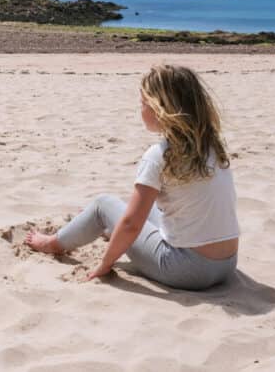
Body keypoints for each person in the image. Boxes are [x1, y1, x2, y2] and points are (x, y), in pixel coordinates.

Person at [25, 64, 239, 290]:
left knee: (103, 205)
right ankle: (107, 229)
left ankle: (52, 243)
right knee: (147, 209)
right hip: (226, 264)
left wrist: (105, 264)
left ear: (161, 109)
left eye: (143, 103)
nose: (141, 109)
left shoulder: (160, 155)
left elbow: (131, 224)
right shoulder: (211, 147)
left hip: (186, 271)